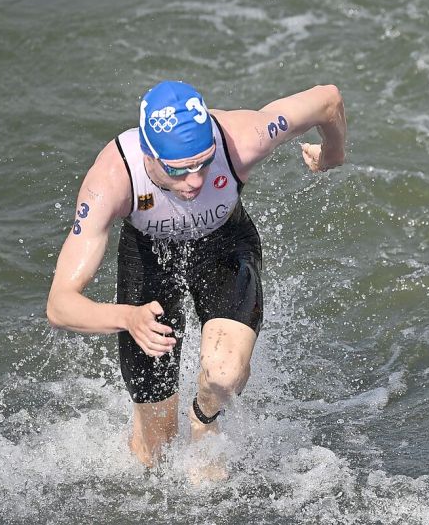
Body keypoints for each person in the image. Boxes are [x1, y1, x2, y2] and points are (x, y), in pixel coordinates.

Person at [46, 80, 346, 471]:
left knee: (224, 374)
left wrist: (332, 155)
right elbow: (60, 304)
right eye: (180, 170)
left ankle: (204, 418)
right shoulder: (112, 179)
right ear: (148, 154)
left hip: (224, 245)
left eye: (204, 163)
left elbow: (328, 100)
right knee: (154, 454)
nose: (195, 181)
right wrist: (127, 318)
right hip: (149, 260)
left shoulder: (242, 138)